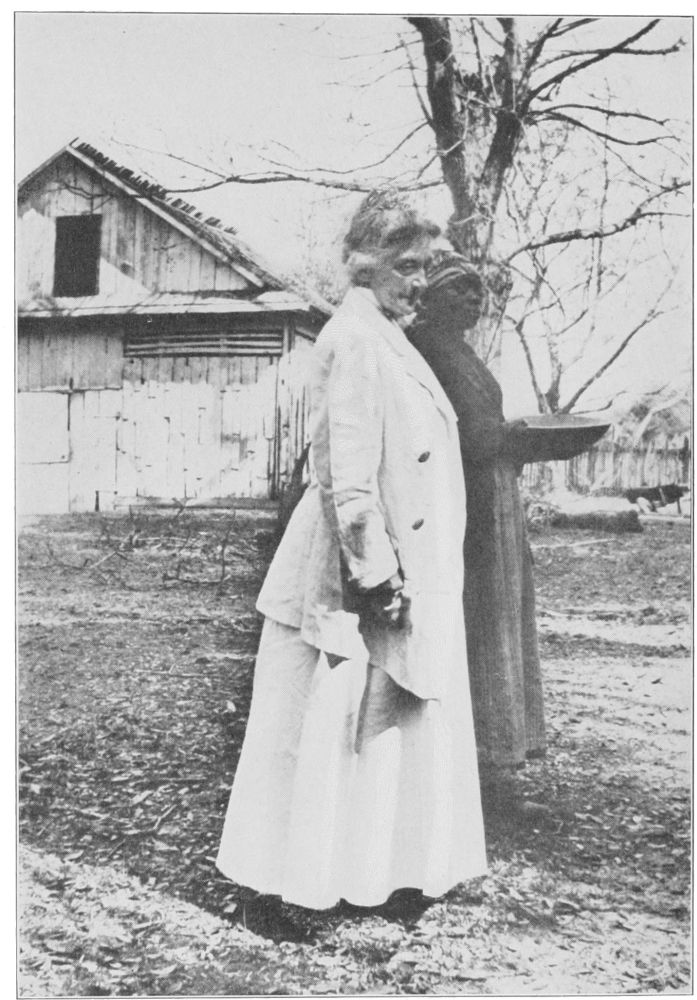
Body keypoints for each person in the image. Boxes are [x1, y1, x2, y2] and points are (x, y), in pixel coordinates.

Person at [216, 193, 487, 911]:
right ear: (366, 266)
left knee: (386, 723)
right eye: (407, 266)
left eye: (426, 266)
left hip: (406, 564)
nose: (421, 282)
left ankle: (381, 875)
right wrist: (377, 574)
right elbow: (346, 475)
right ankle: (279, 887)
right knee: (322, 724)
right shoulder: (354, 338)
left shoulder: (389, 336)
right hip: (350, 570)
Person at [408, 250, 546, 809]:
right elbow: (448, 433)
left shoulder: (462, 351)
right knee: (476, 622)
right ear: (429, 295)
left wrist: (515, 442)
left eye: (476, 291)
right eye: (457, 289)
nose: (472, 299)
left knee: (498, 618)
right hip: (462, 500)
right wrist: (509, 436)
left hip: (493, 493)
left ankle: (490, 767)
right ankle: (470, 774)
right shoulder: (423, 348)